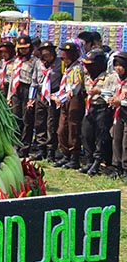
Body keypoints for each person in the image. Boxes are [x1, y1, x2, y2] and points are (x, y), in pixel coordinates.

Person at [79, 48, 113, 176]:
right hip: (90, 108)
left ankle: (98, 161)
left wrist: (100, 92)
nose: (86, 68)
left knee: (101, 135)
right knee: (86, 133)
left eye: (89, 65)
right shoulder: (87, 77)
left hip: (102, 108)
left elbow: (113, 93)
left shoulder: (108, 77)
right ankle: (89, 159)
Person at [54, 41, 86, 170]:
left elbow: (76, 87)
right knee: (62, 128)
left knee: (73, 127)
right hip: (64, 100)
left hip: (74, 100)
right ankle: (65, 154)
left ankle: (74, 157)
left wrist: (60, 98)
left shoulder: (78, 68)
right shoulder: (67, 68)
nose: (64, 59)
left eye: (66, 56)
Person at [30, 42, 61, 162]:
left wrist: (58, 95)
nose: (47, 56)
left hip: (52, 95)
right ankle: (41, 149)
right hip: (40, 95)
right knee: (39, 122)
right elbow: (34, 81)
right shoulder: (38, 63)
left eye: (49, 53)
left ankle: (51, 151)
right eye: (44, 53)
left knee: (51, 124)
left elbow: (63, 80)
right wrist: (31, 98)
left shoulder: (60, 63)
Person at [7, 35, 37, 157]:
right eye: (21, 48)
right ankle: (16, 145)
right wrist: (9, 96)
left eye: (26, 48)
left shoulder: (34, 62)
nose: (23, 50)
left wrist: (31, 98)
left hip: (27, 90)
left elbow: (34, 81)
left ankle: (25, 147)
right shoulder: (16, 61)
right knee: (16, 118)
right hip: (16, 91)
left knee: (27, 120)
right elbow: (12, 80)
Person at [107, 51, 127, 181]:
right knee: (116, 138)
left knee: (126, 141)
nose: (117, 68)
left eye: (121, 65)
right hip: (117, 113)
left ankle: (126, 168)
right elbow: (107, 91)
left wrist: (121, 102)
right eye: (116, 65)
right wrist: (110, 99)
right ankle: (116, 166)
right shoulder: (113, 78)